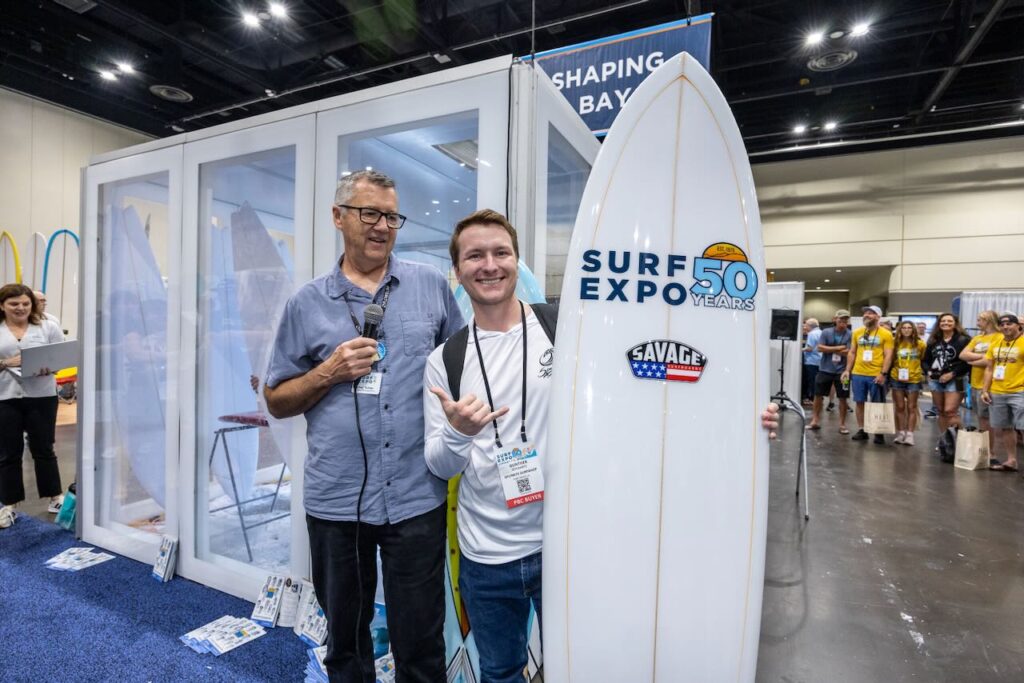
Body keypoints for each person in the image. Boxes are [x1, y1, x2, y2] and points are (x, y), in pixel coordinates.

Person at [423, 209, 780, 683]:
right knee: (500, 672)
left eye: (500, 252)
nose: (489, 265)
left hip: (571, 545)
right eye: (475, 256)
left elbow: (646, 392)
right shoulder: (445, 359)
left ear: (516, 260)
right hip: (486, 556)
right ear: (458, 270)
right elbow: (439, 464)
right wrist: (459, 433)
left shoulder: (569, 332)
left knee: (580, 669)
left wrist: (737, 418)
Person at [263, 170, 464, 682]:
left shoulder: (430, 287)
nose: (382, 226)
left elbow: (464, 368)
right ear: (338, 217)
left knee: (421, 641)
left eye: (391, 216)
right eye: (369, 213)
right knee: (346, 646)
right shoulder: (306, 303)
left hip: (416, 495)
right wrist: (328, 372)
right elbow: (277, 399)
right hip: (337, 501)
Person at [0, 284, 66, 529]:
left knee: (44, 448)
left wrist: (51, 366)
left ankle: (55, 497)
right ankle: (8, 504)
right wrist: (7, 362)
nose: (21, 308)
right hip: (5, 397)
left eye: (25, 303)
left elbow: (61, 360)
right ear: (2, 306)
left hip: (42, 396)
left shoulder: (48, 326)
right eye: (14, 304)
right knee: (8, 453)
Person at [843, 305, 894, 445]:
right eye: (865, 313)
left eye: (871, 313)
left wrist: (883, 373)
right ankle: (862, 429)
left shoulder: (886, 334)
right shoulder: (857, 332)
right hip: (858, 373)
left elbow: (888, 355)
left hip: (875, 374)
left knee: (877, 403)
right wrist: (847, 370)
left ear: (878, 316)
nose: (867, 315)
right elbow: (852, 352)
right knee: (859, 402)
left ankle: (878, 431)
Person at [980, 312, 1024, 472]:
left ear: (1018, 325)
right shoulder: (996, 343)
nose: (1005, 327)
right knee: (1005, 427)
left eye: (1009, 324)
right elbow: (989, 368)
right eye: (1002, 324)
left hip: (1020, 391)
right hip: (998, 391)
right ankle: (1011, 460)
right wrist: (985, 390)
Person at [922, 312, 970, 438]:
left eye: (949, 321)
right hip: (935, 380)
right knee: (941, 411)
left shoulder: (964, 340)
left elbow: (967, 363)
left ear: (955, 324)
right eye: (943, 321)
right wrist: (928, 372)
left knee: (951, 411)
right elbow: (925, 360)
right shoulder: (933, 340)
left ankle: (959, 441)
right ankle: (945, 441)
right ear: (939, 324)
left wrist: (952, 373)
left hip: (956, 378)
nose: (946, 323)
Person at [960, 310, 1001, 455]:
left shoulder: (999, 337)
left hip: (989, 384)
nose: (977, 323)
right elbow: (963, 354)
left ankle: (990, 451)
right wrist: (981, 357)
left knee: (987, 419)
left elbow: (990, 361)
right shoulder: (977, 338)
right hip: (975, 383)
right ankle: (984, 447)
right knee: (980, 418)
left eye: (980, 320)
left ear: (988, 321)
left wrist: (973, 361)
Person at [807, 310, 851, 434]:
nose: (843, 322)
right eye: (840, 320)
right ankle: (815, 420)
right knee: (818, 395)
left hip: (843, 372)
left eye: (845, 320)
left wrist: (830, 349)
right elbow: (820, 348)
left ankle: (842, 424)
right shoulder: (826, 332)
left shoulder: (850, 334)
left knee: (843, 398)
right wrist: (839, 348)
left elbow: (849, 351)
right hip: (825, 369)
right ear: (835, 319)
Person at [889, 321, 926, 446]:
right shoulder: (895, 344)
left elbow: (923, 359)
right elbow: (891, 359)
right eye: (904, 328)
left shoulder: (920, 344)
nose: (906, 330)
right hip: (896, 377)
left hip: (914, 378)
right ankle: (900, 432)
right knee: (899, 406)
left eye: (909, 328)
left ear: (913, 330)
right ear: (900, 330)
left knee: (912, 407)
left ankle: (910, 434)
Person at [801, 318, 821, 405]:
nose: (805, 327)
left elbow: (809, 348)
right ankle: (818, 398)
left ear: (810, 326)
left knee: (811, 381)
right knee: (817, 381)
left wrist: (800, 349)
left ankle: (811, 399)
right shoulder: (821, 332)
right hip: (819, 360)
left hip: (811, 361)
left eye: (806, 325)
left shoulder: (812, 334)